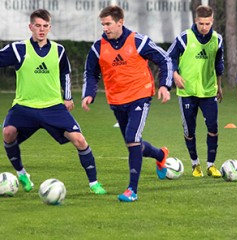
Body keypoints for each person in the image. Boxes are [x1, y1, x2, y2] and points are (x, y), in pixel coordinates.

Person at [0, 9, 106, 194]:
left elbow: (65, 71)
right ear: (30, 27)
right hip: (24, 106)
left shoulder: (59, 50)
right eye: (38, 26)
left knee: (80, 140)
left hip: (53, 107)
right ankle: (22, 174)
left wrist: (67, 97)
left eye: (45, 26)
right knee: (8, 133)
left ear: (50, 27)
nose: (41, 30)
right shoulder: (18, 49)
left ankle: (94, 183)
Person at [82, 5, 172, 202]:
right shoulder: (98, 47)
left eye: (108, 24)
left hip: (140, 96)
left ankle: (132, 190)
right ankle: (160, 155)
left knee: (132, 138)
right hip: (116, 100)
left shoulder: (138, 41)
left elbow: (164, 59)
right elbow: (91, 72)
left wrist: (165, 85)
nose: (105, 28)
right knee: (134, 145)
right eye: (103, 24)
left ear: (120, 22)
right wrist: (89, 94)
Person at [167, 5, 224, 178]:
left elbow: (218, 64)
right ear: (195, 21)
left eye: (207, 23)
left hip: (208, 92)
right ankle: (195, 164)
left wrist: (219, 86)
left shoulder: (217, 39)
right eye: (201, 24)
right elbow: (169, 58)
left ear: (212, 21)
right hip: (187, 92)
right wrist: (175, 75)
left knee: (213, 127)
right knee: (189, 131)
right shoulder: (184, 38)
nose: (204, 27)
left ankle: (211, 165)